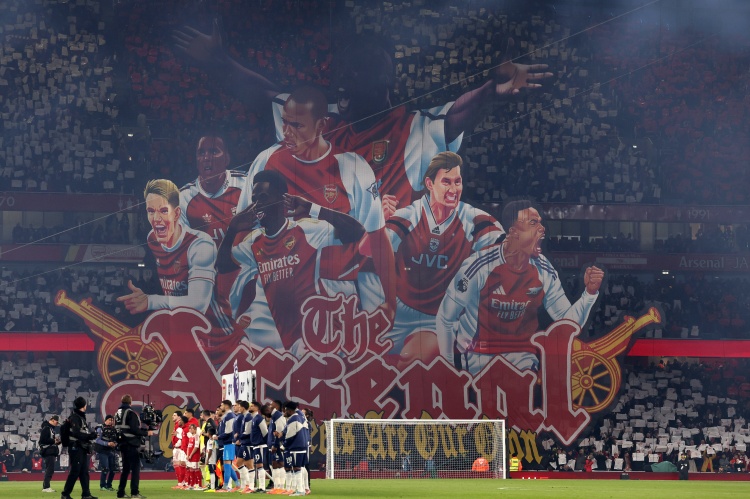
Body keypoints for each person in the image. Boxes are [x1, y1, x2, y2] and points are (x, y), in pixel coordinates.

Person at [173, 25, 551, 210]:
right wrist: (219, 61)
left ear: (382, 84)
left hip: (386, 280)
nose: (343, 80)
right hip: (322, 279)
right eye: (343, 71)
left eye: (357, 73)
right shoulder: (320, 121)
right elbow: (266, 94)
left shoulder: (413, 129)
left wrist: (490, 91)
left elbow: (457, 113)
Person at [235, 86, 396, 319]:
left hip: (335, 294)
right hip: (278, 288)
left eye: (297, 125)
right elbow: (243, 228)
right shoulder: (266, 160)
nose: (287, 132)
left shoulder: (352, 167)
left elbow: (377, 236)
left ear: (321, 125)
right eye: (285, 122)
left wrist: (390, 301)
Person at [436, 199, 604, 374]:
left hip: (522, 355)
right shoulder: (479, 265)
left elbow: (566, 324)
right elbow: (446, 318)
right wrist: (448, 367)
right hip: (479, 354)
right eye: (533, 223)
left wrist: (589, 294)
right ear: (513, 232)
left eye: (540, 222)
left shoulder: (544, 269)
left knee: (522, 384)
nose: (542, 228)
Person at [218, 170, 373, 356]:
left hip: (317, 335)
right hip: (287, 343)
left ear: (282, 199)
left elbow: (357, 232)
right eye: (255, 199)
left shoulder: (306, 230)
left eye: (264, 197)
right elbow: (223, 266)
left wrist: (313, 209)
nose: (257, 205)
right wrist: (232, 229)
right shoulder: (253, 243)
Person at [384, 151, 504, 366]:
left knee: (413, 361)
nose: (453, 189)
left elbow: (504, 252)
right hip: (398, 312)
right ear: (429, 184)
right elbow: (368, 251)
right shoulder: (409, 215)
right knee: (370, 364)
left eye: (457, 182)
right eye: (446, 182)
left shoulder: (474, 219)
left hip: (437, 317)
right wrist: (377, 222)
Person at [117, 179, 238, 365]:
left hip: (221, 345)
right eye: (151, 211)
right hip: (187, 346)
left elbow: (198, 304)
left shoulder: (200, 245)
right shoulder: (152, 240)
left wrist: (150, 301)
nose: (156, 218)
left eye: (163, 211)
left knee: (237, 387)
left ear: (177, 213)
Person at [114, 394, 156, 499]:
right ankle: (134, 493)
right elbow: (134, 429)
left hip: (122, 443)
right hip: (131, 443)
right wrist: (146, 432)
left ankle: (121, 492)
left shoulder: (117, 413)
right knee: (135, 469)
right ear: (130, 402)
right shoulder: (130, 413)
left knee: (125, 470)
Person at [61, 396, 97, 499]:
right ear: (84, 405)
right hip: (76, 447)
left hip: (80, 447)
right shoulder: (75, 417)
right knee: (75, 471)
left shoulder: (79, 417)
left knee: (84, 472)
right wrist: (90, 436)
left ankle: (86, 494)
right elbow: (76, 433)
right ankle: (65, 494)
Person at [276, 401, 310, 497]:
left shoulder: (293, 419)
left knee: (296, 468)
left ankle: (300, 490)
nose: (284, 412)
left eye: (285, 410)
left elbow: (290, 435)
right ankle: (303, 488)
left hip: (296, 447)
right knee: (300, 468)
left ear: (289, 410)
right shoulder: (301, 417)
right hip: (303, 446)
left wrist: (284, 446)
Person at [214, 399, 239, 492]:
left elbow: (229, 432)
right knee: (227, 465)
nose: (220, 407)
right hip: (226, 443)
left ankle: (225, 487)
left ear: (226, 406)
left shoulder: (230, 416)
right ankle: (237, 484)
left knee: (227, 465)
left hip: (229, 443)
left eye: (221, 405)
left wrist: (218, 437)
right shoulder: (226, 417)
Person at [266, 400, 287, 494]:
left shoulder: (279, 416)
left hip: (277, 446)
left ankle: (280, 487)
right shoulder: (274, 417)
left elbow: (280, 432)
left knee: (279, 465)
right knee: (274, 465)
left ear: (277, 407)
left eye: (271, 405)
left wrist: (276, 445)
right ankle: (276, 486)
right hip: (272, 445)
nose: (269, 406)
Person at [250, 403, 271, 492]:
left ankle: (262, 487)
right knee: (258, 465)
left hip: (260, 445)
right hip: (256, 445)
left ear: (257, 408)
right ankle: (260, 487)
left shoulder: (259, 418)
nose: (250, 407)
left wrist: (265, 443)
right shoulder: (254, 418)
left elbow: (265, 432)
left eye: (252, 406)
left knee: (260, 465)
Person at [93, 414, 118, 492]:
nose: (111, 421)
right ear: (105, 420)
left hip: (111, 450)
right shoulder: (100, 428)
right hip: (102, 451)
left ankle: (109, 485)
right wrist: (107, 443)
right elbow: (97, 440)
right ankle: (102, 485)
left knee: (113, 469)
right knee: (105, 468)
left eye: (112, 420)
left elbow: (116, 439)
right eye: (109, 420)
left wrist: (115, 443)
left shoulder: (114, 429)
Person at [39, 414, 61, 493]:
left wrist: (57, 442)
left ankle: (46, 486)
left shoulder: (49, 428)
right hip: (48, 451)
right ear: (52, 420)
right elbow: (43, 440)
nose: (56, 424)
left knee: (49, 469)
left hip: (50, 451)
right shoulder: (46, 428)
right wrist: (54, 441)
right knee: (50, 470)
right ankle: (46, 487)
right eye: (56, 422)